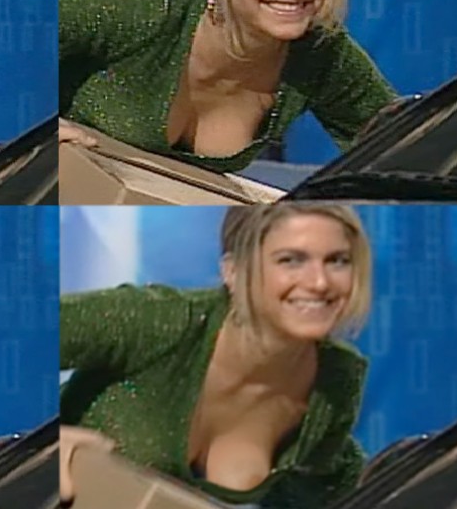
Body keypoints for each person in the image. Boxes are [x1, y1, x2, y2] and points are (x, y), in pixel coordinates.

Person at [59, 204, 372, 507]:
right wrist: (44, 445)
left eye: (337, 261)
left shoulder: (336, 380)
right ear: (233, 271)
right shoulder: (161, 321)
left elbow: (325, 486)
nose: (319, 282)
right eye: (290, 260)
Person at [58, 0, 395, 173]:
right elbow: (24, 20)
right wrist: (31, 127)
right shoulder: (141, 11)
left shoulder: (321, 54)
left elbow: (404, 151)